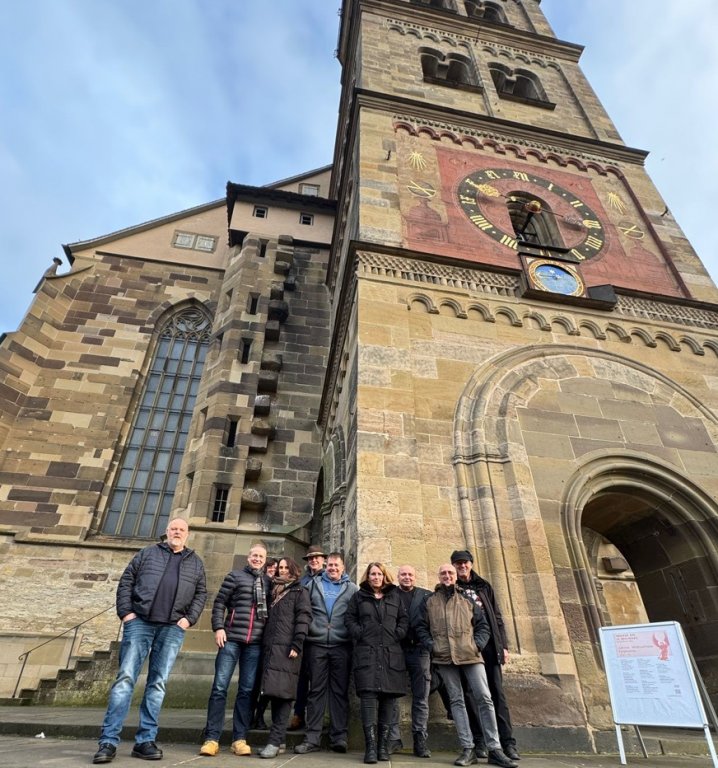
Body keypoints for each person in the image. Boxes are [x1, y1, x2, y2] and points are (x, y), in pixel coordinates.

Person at [93, 518, 207, 764]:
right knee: (125, 679)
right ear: (167, 532)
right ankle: (108, 741)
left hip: (172, 628)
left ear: (187, 534)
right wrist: (126, 613)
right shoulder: (147, 553)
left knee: (158, 683)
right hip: (140, 622)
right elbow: (127, 581)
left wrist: (188, 619)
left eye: (182, 530)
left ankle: (145, 741)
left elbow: (201, 593)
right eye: (174, 529)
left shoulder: (195, 562)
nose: (177, 532)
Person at [416, 564, 517, 768]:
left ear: (455, 576)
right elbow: (420, 627)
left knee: (485, 698)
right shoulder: (430, 601)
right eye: (443, 573)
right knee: (456, 701)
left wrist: (476, 645)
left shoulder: (467, 599)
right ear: (439, 576)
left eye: (450, 573)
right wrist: (432, 646)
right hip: (444, 658)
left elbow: (483, 626)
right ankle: (468, 748)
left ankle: (494, 748)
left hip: (471, 656)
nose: (447, 576)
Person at [199, 543, 270, 757]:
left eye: (261, 556)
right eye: (254, 555)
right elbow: (219, 603)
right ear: (248, 557)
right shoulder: (235, 577)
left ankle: (239, 738)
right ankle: (212, 738)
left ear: (265, 560)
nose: (257, 559)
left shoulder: (268, 582)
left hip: (255, 643)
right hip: (231, 639)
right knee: (220, 688)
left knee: (247, 691)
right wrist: (218, 628)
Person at [451, 550, 519, 762]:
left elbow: (496, 617)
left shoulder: (484, 586)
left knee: (496, 693)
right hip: (466, 648)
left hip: (489, 646)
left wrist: (503, 646)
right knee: (470, 694)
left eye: (465, 562)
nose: (462, 566)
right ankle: (479, 740)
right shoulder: (453, 588)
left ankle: (507, 743)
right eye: (458, 563)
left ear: (471, 564)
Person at [294, 551, 358, 754]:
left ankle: (339, 737)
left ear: (343, 568)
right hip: (316, 644)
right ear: (325, 566)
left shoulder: (352, 589)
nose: (333, 568)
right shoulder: (312, 585)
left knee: (339, 692)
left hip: (341, 646)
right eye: (330, 565)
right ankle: (312, 738)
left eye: (336, 565)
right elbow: (304, 611)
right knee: (316, 692)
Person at [345, 562, 408, 764]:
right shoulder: (358, 597)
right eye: (372, 574)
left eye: (379, 574)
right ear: (368, 576)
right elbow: (349, 619)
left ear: (384, 576)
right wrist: (359, 633)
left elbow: (404, 620)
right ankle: (370, 748)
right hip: (367, 655)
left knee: (388, 702)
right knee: (368, 702)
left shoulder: (395, 597)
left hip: (390, 656)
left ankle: (382, 748)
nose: (376, 577)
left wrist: (398, 633)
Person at [257, 557, 312, 759]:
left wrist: (297, 643)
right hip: (271, 649)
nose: (282, 570)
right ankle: (279, 741)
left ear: (293, 570)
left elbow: (303, 618)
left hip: (288, 650)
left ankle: (273, 741)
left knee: (284, 695)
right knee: (274, 693)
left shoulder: (300, 592)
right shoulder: (274, 590)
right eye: (280, 567)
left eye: (286, 567)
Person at [387, 564, 432, 758]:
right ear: (398, 577)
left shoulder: (426, 596)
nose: (407, 577)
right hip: (396, 650)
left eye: (410, 574)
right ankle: (393, 738)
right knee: (392, 696)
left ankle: (420, 739)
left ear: (415, 577)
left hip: (420, 650)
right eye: (403, 574)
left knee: (421, 697)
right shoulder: (390, 595)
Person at [288, 544, 327, 731]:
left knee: (318, 679)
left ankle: (316, 717)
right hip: (303, 634)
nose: (314, 560)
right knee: (301, 678)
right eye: (311, 558)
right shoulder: (302, 581)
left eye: (317, 557)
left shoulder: (328, 579)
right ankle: (298, 713)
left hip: (320, 635)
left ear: (323, 560)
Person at [251, 557, 279, 731]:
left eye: (276, 568)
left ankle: (259, 715)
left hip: (271, 640)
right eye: (270, 567)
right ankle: (250, 715)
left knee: (266, 682)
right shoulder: (258, 583)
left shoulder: (278, 588)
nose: (273, 570)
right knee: (253, 682)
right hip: (256, 638)